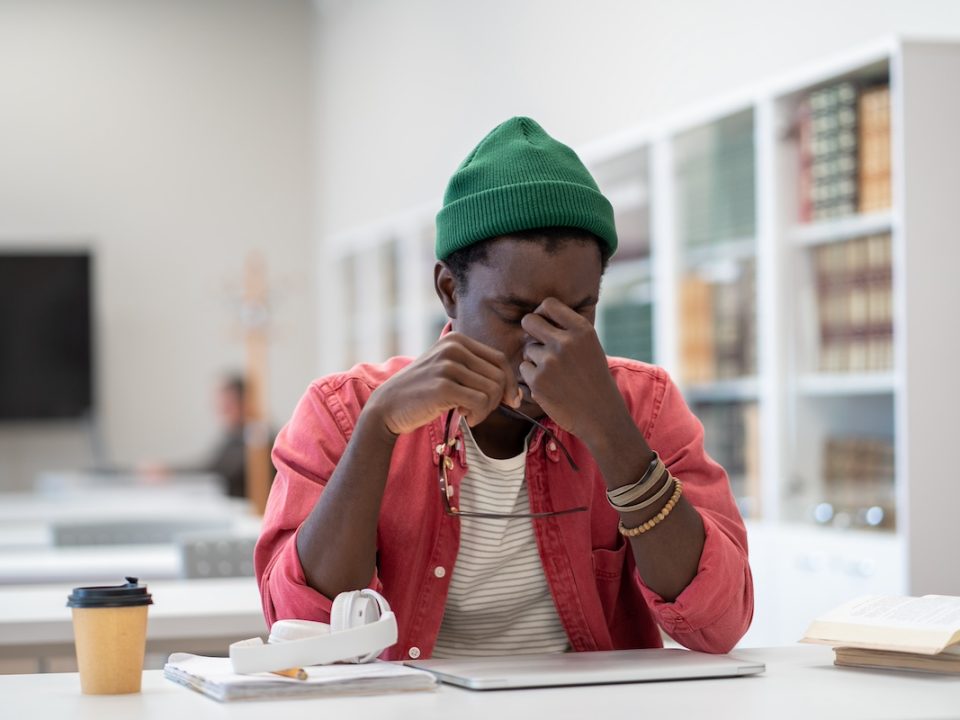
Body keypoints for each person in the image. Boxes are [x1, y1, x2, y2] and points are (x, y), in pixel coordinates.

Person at [256, 117, 753, 660]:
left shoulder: (643, 404)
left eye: (579, 312)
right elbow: (302, 631)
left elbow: (720, 626)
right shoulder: (347, 410)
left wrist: (612, 431)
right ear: (449, 290)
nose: (551, 344)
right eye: (515, 313)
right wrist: (377, 432)